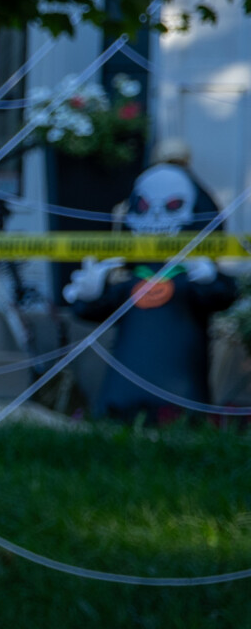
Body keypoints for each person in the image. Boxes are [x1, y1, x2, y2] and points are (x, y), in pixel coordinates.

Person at [65, 139, 239, 421]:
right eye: (146, 206)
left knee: (184, 410)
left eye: (171, 206)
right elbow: (96, 310)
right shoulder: (132, 282)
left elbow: (223, 296)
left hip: (184, 391)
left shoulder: (190, 280)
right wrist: (90, 295)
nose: (157, 216)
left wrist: (210, 281)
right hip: (121, 396)